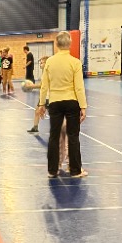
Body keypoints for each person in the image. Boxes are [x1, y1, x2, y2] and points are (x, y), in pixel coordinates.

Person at [37, 31, 87, 178]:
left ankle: (52, 170)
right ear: (70, 44)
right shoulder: (75, 62)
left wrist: (41, 104)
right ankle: (75, 170)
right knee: (73, 136)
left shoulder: (49, 62)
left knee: (54, 136)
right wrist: (83, 106)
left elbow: (44, 86)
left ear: (56, 44)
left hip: (55, 102)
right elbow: (79, 87)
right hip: (72, 102)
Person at [27, 56, 49, 134]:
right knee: (37, 111)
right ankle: (35, 128)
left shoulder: (48, 73)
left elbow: (42, 85)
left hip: (49, 97)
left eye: (42, 63)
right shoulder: (44, 73)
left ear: (47, 63)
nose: (40, 64)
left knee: (55, 115)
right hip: (43, 97)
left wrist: (31, 86)